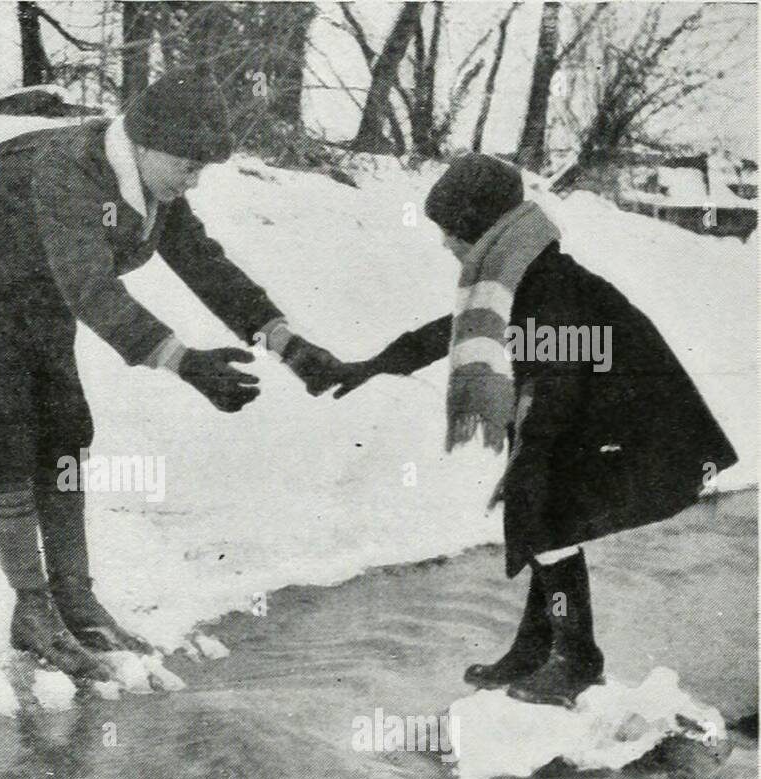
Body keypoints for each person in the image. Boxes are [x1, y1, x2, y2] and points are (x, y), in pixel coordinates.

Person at [0, 74, 338, 679]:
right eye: (188, 165)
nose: (194, 180)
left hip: (33, 291)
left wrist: (289, 346)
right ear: (145, 143)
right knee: (8, 440)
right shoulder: (66, 171)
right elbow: (91, 288)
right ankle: (33, 612)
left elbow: (204, 265)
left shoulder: (153, 183)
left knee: (66, 431)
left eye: (201, 169)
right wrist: (184, 362)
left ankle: (75, 599)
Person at [311, 153, 738, 704]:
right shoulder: (527, 275)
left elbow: (555, 382)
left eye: (450, 232)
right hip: (624, 435)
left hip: (658, 445)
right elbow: (458, 331)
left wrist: (530, 458)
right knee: (545, 518)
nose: (446, 245)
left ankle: (577, 660)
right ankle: (538, 648)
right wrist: (376, 363)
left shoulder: (551, 288)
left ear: (477, 229)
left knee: (548, 515)